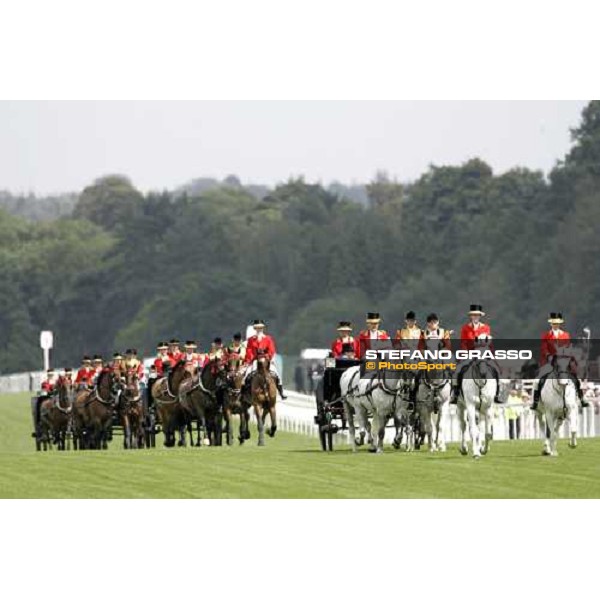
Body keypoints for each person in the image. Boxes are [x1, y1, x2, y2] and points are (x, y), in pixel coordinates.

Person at [531, 312, 587, 411]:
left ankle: (581, 399)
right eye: (553, 323)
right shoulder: (546, 335)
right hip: (550, 361)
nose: (555, 325)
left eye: (557, 323)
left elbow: (568, 347)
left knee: (576, 379)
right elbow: (544, 348)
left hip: (563, 361)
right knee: (537, 380)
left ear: (560, 324)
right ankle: (536, 401)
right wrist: (548, 356)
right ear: (551, 324)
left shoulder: (565, 335)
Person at [451, 304, 498, 404]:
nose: (475, 317)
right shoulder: (465, 328)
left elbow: (488, 342)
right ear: (470, 316)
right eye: (473, 315)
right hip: (470, 354)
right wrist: (465, 353)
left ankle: (497, 394)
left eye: (477, 315)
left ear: (480, 316)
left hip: (483, 354)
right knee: (457, 371)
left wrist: (490, 354)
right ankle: (456, 394)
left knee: (496, 370)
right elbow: (463, 343)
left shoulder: (486, 328)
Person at [244, 319, 286, 399]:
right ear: (255, 329)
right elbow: (249, 351)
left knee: (276, 373)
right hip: (255, 360)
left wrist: (268, 357)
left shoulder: (268, 338)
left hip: (266, 360)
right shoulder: (251, 340)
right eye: (257, 328)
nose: (259, 329)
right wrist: (250, 359)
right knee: (247, 373)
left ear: (263, 328)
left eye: (260, 328)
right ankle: (245, 391)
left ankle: (281, 392)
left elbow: (272, 350)